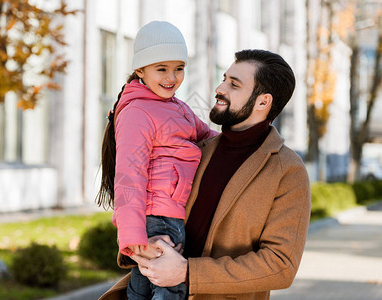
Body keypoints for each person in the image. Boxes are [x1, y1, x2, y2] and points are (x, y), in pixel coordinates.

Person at [99, 49, 311, 300]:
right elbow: (137, 191)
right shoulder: (194, 151)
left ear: (263, 102)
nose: (219, 88)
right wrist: (139, 248)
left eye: (234, 84)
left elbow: (280, 265)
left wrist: (187, 273)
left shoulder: (287, 170)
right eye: (224, 78)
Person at [96, 20, 218, 300]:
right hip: (155, 219)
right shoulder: (138, 111)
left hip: (172, 214)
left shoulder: (178, 107)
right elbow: (129, 176)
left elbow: (211, 138)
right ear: (140, 70)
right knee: (170, 289)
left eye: (179, 68)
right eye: (161, 69)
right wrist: (134, 241)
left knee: (142, 291)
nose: (172, 77)